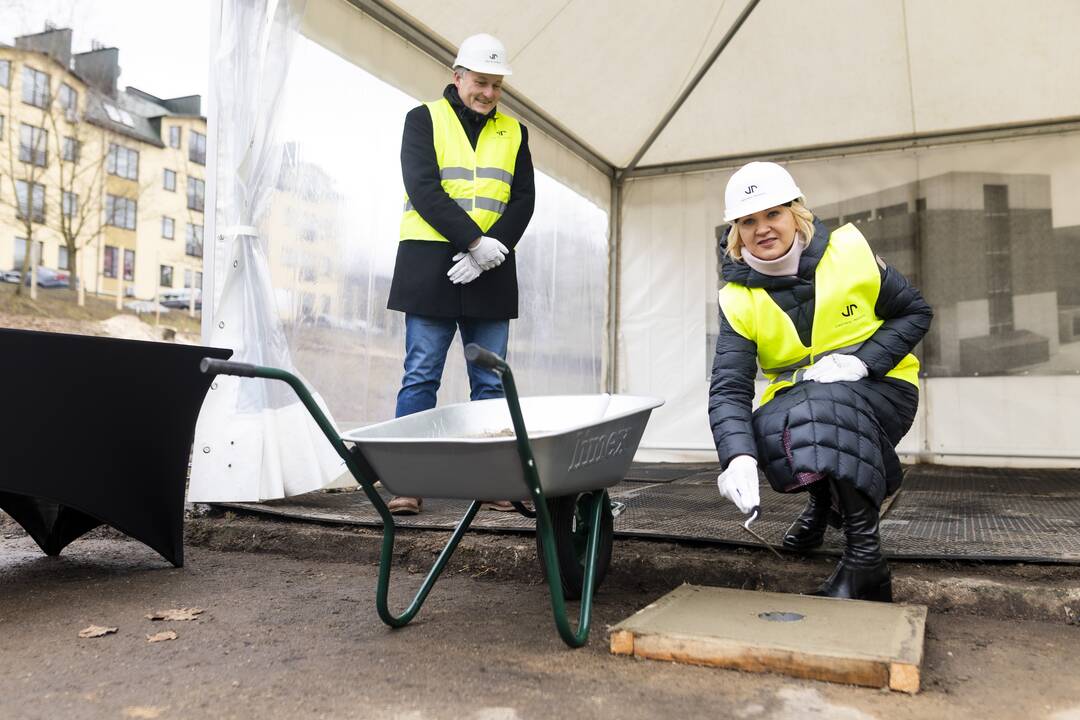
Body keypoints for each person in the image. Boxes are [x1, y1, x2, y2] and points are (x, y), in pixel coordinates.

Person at [709, 161, 932, 602]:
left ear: (796, 213)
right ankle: (822, 503)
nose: (763, 228)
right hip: (805, 401)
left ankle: (865, 557)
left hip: (883, 389)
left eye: (773, 213)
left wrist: (864, 362)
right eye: (748, 220)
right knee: (766, 427)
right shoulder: (737, 299)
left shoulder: (849, 253)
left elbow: (915, 311)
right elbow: (729, 386)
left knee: (824, 405)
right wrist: (736, 457)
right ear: (737, 231)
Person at [385, 33, 536, 515]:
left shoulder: (515, 132)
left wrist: (495, 248)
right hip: (431, 264)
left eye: (496, 85)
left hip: (492, 266)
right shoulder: (423, 119)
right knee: (421, 373)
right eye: (480, 82)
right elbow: (423, 188)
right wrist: (473, 241)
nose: (488, 93)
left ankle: (490, 481)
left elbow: (523, 199)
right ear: (458, 77)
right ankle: (407, 482)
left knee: (490, 382)